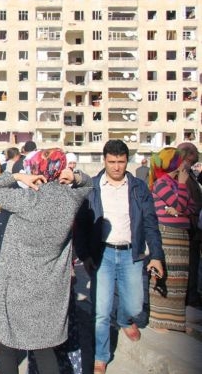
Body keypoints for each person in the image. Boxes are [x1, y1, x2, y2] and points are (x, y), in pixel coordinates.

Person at [0, 148, 92, 374]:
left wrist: (17, 176)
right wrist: (75, 176)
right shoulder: (70, 199)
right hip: (49, 290)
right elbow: (88, 185)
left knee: (8, 348)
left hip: (15, 287)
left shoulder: (27, 199)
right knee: (44, 350)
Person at [75, 140, 164, 374]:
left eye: (121, 162)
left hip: (131, 255)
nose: (116, 167)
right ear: (104, 160)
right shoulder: (92, 187)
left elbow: (150, 222)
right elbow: (81, 225)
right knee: (101, 311)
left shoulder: (138, 188)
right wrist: (84, 256)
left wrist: (156, 255)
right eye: (112, 162)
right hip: (102, 254)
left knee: (134, 305)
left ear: (128, 161)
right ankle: (101, 356)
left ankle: (125, 320)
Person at [147, 147, 192, 332]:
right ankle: (159, 320)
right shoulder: (162, 183)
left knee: (179, 280)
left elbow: (191, 208)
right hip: (167, 234)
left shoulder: (177, 183)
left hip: (181, 235)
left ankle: (177, 321)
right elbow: (180, 204)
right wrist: (182, 184)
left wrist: (181, 209)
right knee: (166, 276)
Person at [177, 143, 202, 307]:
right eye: (195, 152)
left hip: (194, 225)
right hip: (188, 226)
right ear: (189, 155)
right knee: (190, 264)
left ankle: (192, 294)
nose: (198, 155)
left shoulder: (190, 173)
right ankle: (190, 296)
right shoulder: (182, 173)